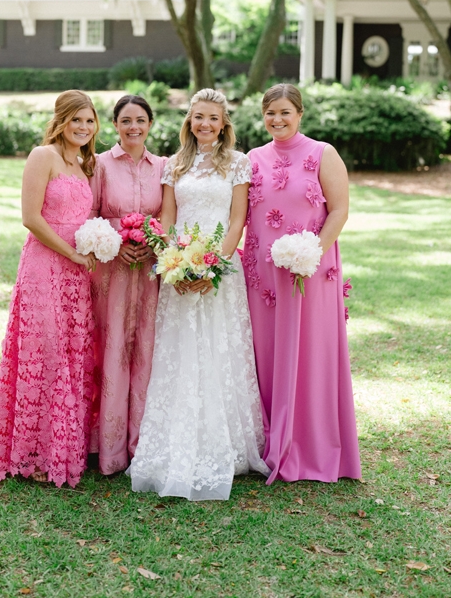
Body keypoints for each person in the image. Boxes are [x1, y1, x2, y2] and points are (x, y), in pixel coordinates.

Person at [128, 88, 270, 500]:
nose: (204, 124)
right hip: (178, 270)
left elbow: (237, 219)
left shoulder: (238, 164)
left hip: (220, 270)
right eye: (197, 117)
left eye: (212, 118)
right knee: (180, 352)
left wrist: (213, 267)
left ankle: (224, 446)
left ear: (224, 122)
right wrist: (174, 262)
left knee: (219, 350)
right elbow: (169, 217)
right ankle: (174, 446)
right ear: (188, 121)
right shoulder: (175, 164)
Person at [243, 83, 361, 483]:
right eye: (270, 113)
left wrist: (312, 252)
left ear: (300, 113)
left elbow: (340, 209)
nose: (277, 119)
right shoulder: (252, 158)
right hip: (262, 276)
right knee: (267, 352)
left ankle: (311, 444)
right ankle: (269, 441)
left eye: (285, 112)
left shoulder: (322, 153)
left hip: (311, 270)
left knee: (311, 351)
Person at [0, 90, 99, 488]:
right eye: (77, 120)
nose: (83, 128)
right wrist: (71, 252)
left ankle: (62, 449)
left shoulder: (83, 164)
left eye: (89, 121)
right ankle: (30, 454)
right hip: (44, 265)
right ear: (61, 121)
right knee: (44, 352)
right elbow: (31, 218)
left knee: (70, 355)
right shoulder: (43, 156)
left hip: (76, 273)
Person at [90, 95, 167, 474]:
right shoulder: (100, 165)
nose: (133, 127)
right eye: (125, 121)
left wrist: (153, 243)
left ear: (150, 123)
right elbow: (88, 216)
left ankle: (142, 443)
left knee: (147, 351)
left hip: (151, 273)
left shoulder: (164, 166)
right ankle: (108, 448)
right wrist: (117, 241)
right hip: (111, 274)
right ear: (115, 125)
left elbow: (169, 217)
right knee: (112, 349)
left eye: (140, 120)